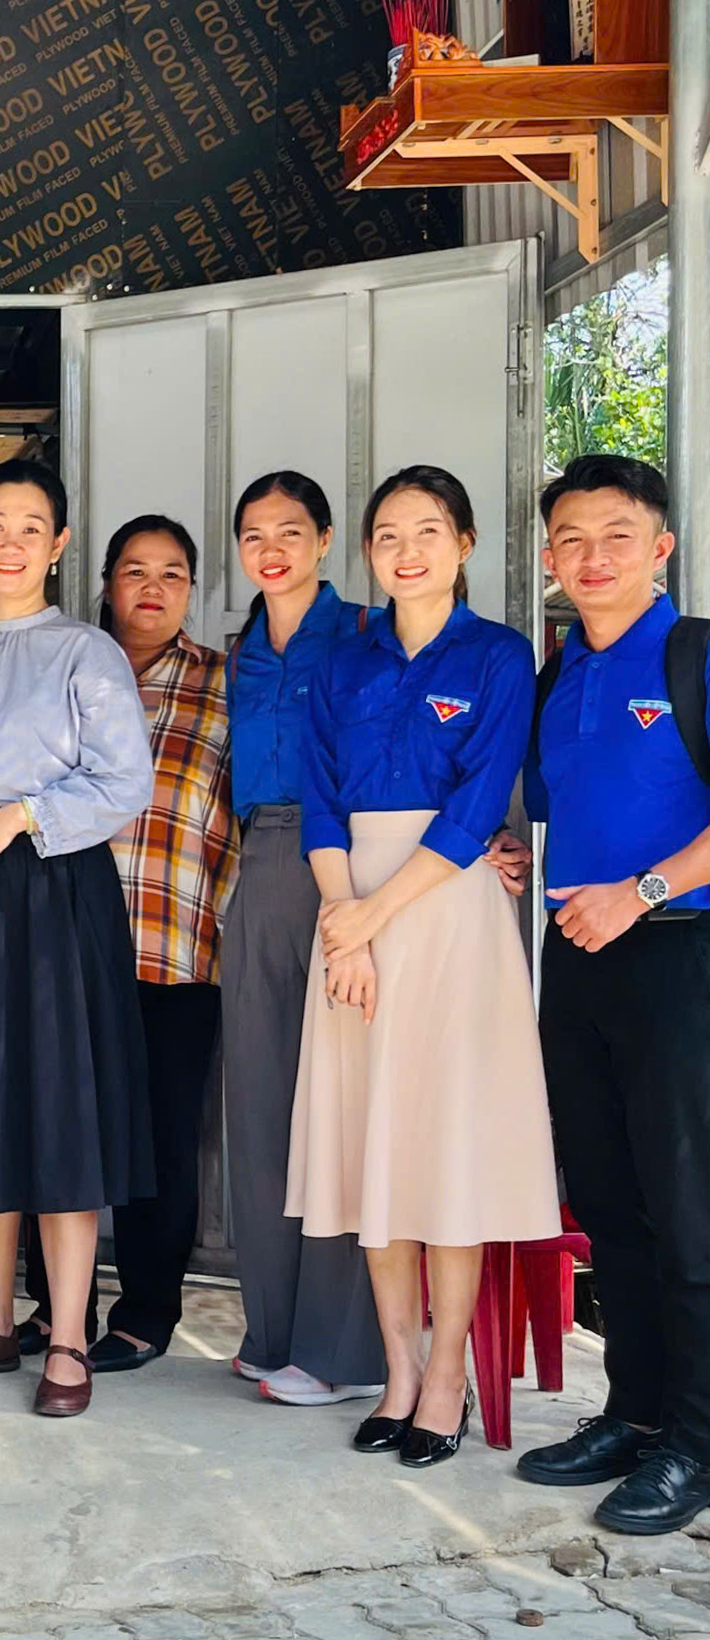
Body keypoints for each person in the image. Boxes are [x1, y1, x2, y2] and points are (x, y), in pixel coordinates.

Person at [291, 464, 559, 1468]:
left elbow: (478, 803)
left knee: (443, 1150)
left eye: (429, 531)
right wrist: (340, 919)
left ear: (466, 543)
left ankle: (446, 1372)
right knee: (376, 1152)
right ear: (369, 550)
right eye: (390, 534)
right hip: (349, 903)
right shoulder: (343, 663)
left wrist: (369, 917)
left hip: (445, 910)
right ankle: (398, 1368)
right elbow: (320, 801)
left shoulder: (497, 656)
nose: (408, 550)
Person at [0, 458, 152, 1420]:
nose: (10, 543)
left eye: (31, 527)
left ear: (57, 546)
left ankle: (64, 1333)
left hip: (53, 891)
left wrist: (17, 817)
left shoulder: (85, 652)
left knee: (59, 1105)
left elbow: (121, 782)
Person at [516, 454, 710, 1531]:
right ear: (549, 558)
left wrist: (642, 891)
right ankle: (633, 1414)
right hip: (577, 961)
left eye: (617, 534)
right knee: (610, 1201)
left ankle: (697, 1440)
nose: (592, 557)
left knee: (689, 1211)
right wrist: (515, 853)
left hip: (680, 956)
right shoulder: (561, 674)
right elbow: (564, 813)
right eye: (573, 539)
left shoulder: (693, 653)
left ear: (661, 546)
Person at [21, 516, 237, 1373]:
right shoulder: (63, 666)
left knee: (160, 1141)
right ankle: (51, 1306)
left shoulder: (227, 686)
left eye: (173, 575)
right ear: (105, 581)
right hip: (59, 943)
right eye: (135, 571)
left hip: (172, 943)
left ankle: (147, 1310)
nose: (152, 588)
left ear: (192, 591)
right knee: (50, 1130)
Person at [218, 472, 391, 1409]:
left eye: (291, 530)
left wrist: (493, 836)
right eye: (254, 533)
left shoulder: (369, 634)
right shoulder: (235, 653)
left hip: (353, 865)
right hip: (258, 866)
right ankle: (272, 1326)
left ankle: (342, 1349)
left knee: (341, 1108)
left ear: (327, 540)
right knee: (259, 1106)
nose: (271, 547)